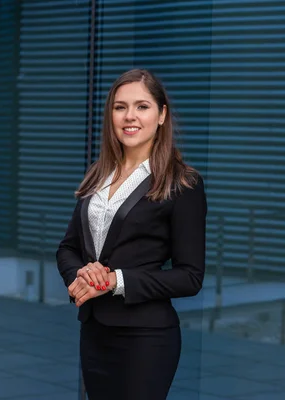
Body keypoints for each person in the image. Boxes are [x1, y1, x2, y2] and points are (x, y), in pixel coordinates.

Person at [56, 68, 207, 400]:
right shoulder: (99, 174)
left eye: (142, 106)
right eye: (120, 106)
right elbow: (67, 248)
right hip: (94, 334)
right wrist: (82, 275)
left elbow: (190, 277)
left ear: (162, 114)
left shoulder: (182, 183)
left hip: (146, 339)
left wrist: (114, 281)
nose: (129, 116)